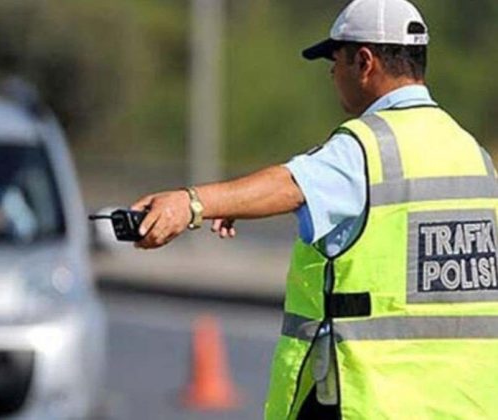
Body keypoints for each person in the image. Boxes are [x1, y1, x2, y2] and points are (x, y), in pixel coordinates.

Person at [130, 0, 498, 418]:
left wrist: (191, 203)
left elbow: (290, 184)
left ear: (364, 62)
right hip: (467, 403)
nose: (331, 73)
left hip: (378, 403)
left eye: (334, 59)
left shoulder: (367, 146)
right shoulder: (471, 153)